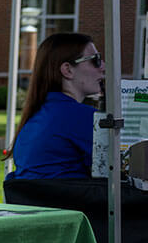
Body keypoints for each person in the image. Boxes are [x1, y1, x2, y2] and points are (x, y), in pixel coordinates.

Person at [6, 32, 104, 179]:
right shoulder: (83, 117)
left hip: (32, 201)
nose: (103, 66)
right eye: (96, 60)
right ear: (68, 70)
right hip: (68, 201)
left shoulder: (37, 115)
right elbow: (121, 166)